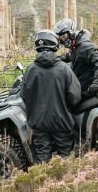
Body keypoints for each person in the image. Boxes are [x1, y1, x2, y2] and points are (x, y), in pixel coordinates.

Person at [20, 29, 82, 162]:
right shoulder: (64, 68)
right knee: (65, 157)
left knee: (42, 158)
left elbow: (24, 95)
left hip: (39, 123)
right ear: (55, 45)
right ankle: (65, 181)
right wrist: (65, 108)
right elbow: (75, 96)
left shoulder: (31, 69)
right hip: (61, 121)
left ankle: (44, 181)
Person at [54, 18, 98, 96]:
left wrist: (96, 82)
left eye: (64, 36)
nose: (62, 40)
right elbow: (72, 56)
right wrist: (55, 59)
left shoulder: (85, 46)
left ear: (71, 33)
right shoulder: (75, 46)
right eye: (60, 37)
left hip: (85, 87)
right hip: (77, 84)